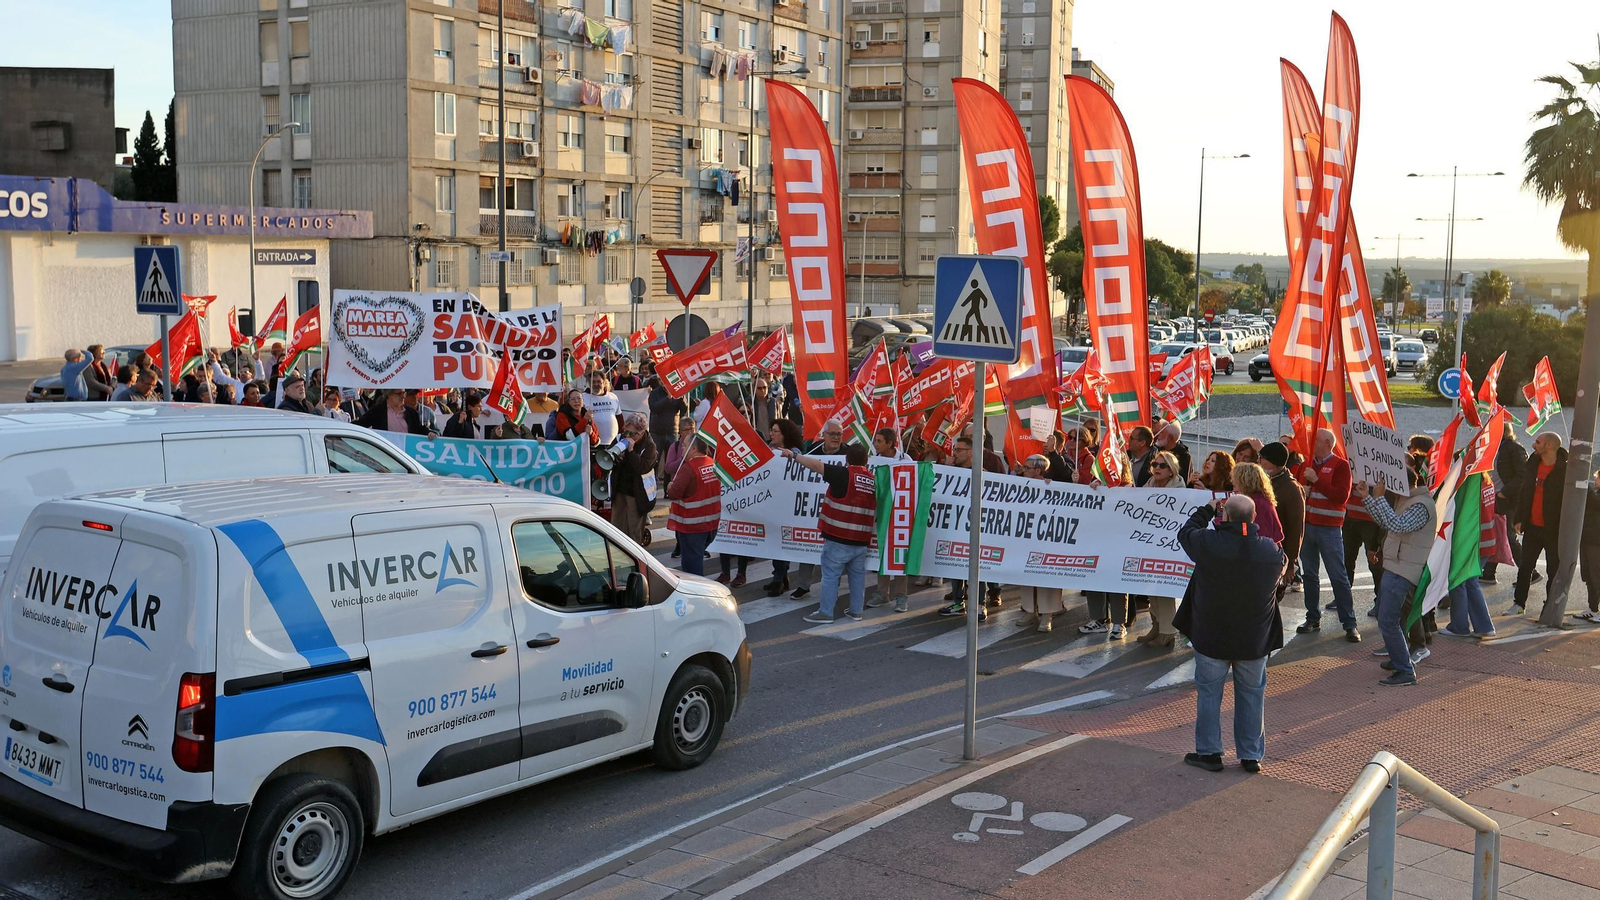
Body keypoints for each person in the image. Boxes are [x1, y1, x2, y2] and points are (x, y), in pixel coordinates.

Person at [1174, 494, 1284, 773]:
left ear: (1225, 517)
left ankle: (1210, 753)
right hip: (1253, 638)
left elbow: (1185, 532)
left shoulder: (1209, 543)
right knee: (1252, 695)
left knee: (1209, 694)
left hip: (1212, 634)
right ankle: (1250, 756)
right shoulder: (1269, 551)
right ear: (1254, 518)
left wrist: (1207, 509)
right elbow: (1281, 569)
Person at [1358, 457, 1438, 686]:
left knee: (1387, 621)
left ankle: (1405, 670)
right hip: (1396, 566)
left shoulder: (1421, 504)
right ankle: (1399, 659)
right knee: (1393, 620)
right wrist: (1369, 499)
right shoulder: (1408, 501)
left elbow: (1398, 525)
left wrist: (1379, 498)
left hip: (1403, 569)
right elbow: (1386, 521)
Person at [784, 440, 877, 624]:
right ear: (867, 461)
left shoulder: (843, 474)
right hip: (860, 541)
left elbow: (817, 466)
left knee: (830, 576)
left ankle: (826, 612)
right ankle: (856, 611)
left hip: (838, 539)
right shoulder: (872, 480)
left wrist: (794, 455)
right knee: (857, 578)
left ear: (846, 459)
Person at [1297, 428, 1361, 643]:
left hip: (1330, 528)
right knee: (1309, 575)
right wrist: (1301, 490)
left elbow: (1341, 496)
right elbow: (1297, 490)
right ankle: (1312, 617)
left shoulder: (1341, 465)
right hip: (1308, 527)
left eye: (1315, 440)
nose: (1310, 443)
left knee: (1338, 576)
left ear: (1326, 442)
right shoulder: (1306, 464)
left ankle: (1349, 623)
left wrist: (1316, 480)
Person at [790, 419, 849, 600]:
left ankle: (831, 588)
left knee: (832, 552)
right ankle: (803, 586)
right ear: (823, 435)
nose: (837, 438)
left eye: (839, 434)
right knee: (807, 546)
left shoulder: (848, 453)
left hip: (835, 509)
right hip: (811, 509)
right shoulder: (814, 450)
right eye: (833, 434)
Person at [1080, 448, 1135, 637]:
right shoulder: (1096, 485)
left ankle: (1120, 623)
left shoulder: (1129, 488)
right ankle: (1098, 619)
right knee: (1095, 579)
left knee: (1117, 583)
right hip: (1097, 542)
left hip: (1119, 544)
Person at [1513, 431, 1567, 615]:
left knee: (1554, 570)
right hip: (1532, 527)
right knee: (1525, 566)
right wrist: (1519, 518)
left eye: (1538, 442)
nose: (1533, 445)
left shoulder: (1565, 470)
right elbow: (1524, 492)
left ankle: (1549, 606)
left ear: (1549, 446)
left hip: (1554, 530)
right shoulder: (1533, 464)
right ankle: (1519, 604)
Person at [1016, 453, 1067, 632]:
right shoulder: (1019, 484)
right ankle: (1030, 611)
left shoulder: (1051, 486)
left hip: (1046, 540)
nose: (1023, 470)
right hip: (1026, 537)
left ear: (1038, 470)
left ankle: (1047, 615)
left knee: (1046, 577)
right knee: (1027, 575)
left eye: (1027, 468)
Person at [867, 427, 914, 612]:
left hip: (900, 514)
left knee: (900, 557)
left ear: (890, 443)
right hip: (880, 515)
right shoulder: (872, 460)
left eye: (879, 441)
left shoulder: (905, 460)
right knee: (882, 556)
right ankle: (882, 593)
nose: (876, 444)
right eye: (875, 441)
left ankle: (901, 596)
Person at [762, 419, 807, 596]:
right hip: (771, 502)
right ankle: (780, 576)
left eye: (775, 431)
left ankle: (779, 579)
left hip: (786, 504)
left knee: (782, 540)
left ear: (785, 435)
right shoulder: (769, 450)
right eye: (771, 430)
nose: (771, 434)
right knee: (774, 541)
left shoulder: (794, 453)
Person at [666, 436, 721, 576]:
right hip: (711, 524)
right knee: (696, 560)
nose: (682, 448)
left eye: (684, 445)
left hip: (692, 526)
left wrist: (670, 486)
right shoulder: (712, 463)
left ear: (694, 448)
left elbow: (674, 493)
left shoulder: (689, 468)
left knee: (692, 569)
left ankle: (697, 594)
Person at [1260, 442, 1306, 604]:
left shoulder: (1292, 489)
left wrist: (1291, 562)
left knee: (1270, 602)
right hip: (1263, 551)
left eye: (1263, 458)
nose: (1259, 461)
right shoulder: (1265, 481)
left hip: (1278, 554)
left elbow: (1296, 528)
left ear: (1273, 461)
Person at [1486, 420, 1529, 584]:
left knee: (1508, 536)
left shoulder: (1513, 448)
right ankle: (1489, 573)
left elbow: (1523, 475)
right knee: (1497, 532)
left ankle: (1529, 573)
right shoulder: (1495, 448)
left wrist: (1505, 492)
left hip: (1509, 499)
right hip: (1495, 496)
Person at [610, 413, 659, 545]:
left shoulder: (649, 446)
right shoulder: (620, 438)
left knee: (634, 529)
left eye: (632, 434)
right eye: (626, 431)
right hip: (620, 489)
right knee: (617, 526)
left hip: (636, 493)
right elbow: (609, 457)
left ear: (642, 433)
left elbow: (643, 467)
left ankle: (635, 557)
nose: (628, 436)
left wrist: (631, 452)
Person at [1231, 462, 1283, 546]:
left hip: (1263, 553)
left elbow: (1257, 536)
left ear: (1244, 483)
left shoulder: (1256, 504)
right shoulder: (1262, 500)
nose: (1233, 491)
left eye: (1235, 486)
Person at [357, 389, 429, 434]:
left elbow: (420, 429)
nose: (403, 396)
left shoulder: (411, 412)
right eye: (399, 394)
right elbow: (361, 424)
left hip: (406, 453)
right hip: (386, 453)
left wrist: (430, 433)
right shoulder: (378, 411)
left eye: (404, 393)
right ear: (389, 395)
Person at [584, 372, 622, 444]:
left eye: (599, 382)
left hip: (613, 443)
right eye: (593, 382)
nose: (596, 384)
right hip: (593, 443)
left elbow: (619, 418)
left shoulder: (613, 397)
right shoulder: (583, 397)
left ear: (604, 383)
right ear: (589, 383)